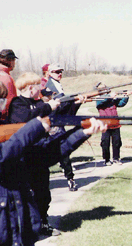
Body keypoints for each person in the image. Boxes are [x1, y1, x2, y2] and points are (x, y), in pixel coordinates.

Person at [0, 74, 106, 246]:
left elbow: (43, 156)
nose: (3, 103)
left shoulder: (0, 126)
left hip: (22, 227)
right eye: (0, 99)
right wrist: (35, 127)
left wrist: (82, 132)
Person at [8, 72, 61, 236]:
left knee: (43, 192)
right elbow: (25, 117)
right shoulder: (17, 103)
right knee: (26, 193)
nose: (42, 88)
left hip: (40, 152)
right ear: (31, 87)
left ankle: (43, 223)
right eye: (39, 86)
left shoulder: (37, 103)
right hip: (24, 155)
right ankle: (27, 226)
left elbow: (53, 114)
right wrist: (47, 106)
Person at [42, 63, 85, 191]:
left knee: (63, 153)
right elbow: (56, 106)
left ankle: (70, 179)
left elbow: (63, 106)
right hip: (51, 123)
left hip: (57, 122)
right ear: (49, 73)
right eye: (56, 72)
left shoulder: (57, 85)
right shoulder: (47, 85)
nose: (59, 74)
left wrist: (76, 103)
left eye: (61, 71)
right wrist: (74, 102)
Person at [96, 84, 129, 166]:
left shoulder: (112, 100)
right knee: (105, 143)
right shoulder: (98, 99)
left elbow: (121, 103)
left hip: (115, 124)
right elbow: (102, 101)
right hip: (105, 125)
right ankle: (106, 159)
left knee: (117, 142)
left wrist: (126, 96)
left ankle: (116, 158)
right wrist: (110, 96)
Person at [0, 49, 18, 119]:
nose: (14, 63)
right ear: (11, 60)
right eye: (14, 60)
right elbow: (9, 102)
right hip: (2, 118)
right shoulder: (6, 77)